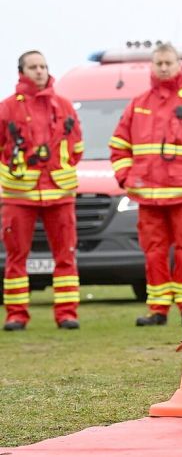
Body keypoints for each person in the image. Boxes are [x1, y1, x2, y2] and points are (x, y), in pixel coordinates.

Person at [110, 42, 182, 327]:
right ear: (152, 66)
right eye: (159, 63)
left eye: (168, 63)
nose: (163, 67)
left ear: (178, 65)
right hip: (148, 196)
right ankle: (157, 309)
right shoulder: (138, 104)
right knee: (153, 253)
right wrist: (127, 178)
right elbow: (118, 146)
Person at [0, 51, 84, 331]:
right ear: (21, 72)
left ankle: (67, 314)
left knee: (65, 256)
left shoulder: (63, 106)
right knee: (15, 258)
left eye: (43, 66)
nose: (39, 71)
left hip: (59, 193)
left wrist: (62, 168)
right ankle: (16, 315)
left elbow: (77, 147)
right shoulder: (7, 108)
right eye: (33, 67)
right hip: (19, 194)